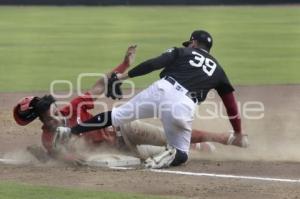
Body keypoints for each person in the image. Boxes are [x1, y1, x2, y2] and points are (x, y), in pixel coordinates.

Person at [55, 30, 248, 168]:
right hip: (184, 105)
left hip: (162, 89)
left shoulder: (182, 52)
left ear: (194, 43)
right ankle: (171, 155)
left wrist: (123, 76)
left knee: (115, 116)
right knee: (182, 154)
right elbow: (231, 106)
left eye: (189, 43)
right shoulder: (219, 72)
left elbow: (154, 64)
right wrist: (238, 132)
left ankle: (70, 131)